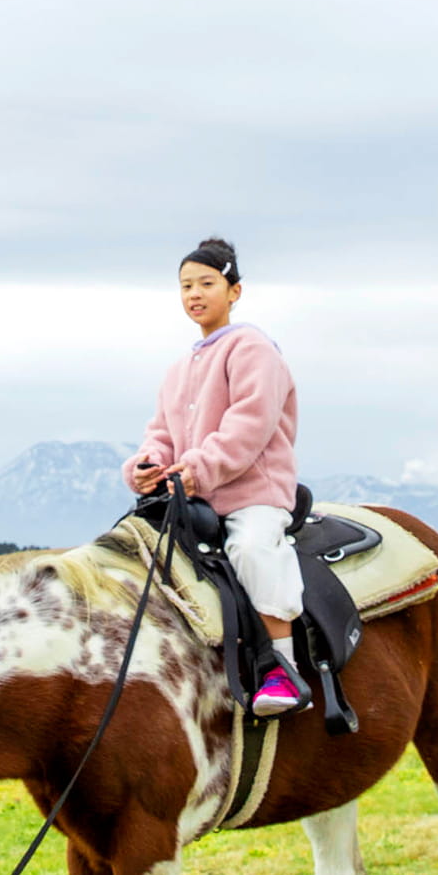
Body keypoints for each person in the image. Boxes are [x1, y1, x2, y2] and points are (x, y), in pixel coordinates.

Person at [124, 237, 311, 717]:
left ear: (235, 291)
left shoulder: (253, 349)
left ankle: (283, 670)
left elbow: (249, 426)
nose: (195, 294)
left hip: (252, 495)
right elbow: (162, 433)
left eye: (207, 283)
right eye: (186, 286)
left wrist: (197, 469)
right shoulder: (178, 368)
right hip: (194, 501)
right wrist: (146, 466)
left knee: (251, 550)